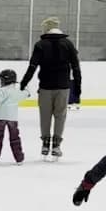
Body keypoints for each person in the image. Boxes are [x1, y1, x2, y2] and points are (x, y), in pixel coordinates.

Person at [20, 17, 82, 159]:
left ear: (46, 29)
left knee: (45, 115)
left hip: (45, 87)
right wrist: (78, 89)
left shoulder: (40, 44)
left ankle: (45, 143)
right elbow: (76, 68)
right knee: (60, 115)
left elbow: (32, 67)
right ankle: (56, 145)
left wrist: (23, 83)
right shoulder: (68, 44)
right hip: (63, 87)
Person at [0, 69, 24, 164]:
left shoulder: (1, 91)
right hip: (12, 118)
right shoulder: (16, 91)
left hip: (0, 118)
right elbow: (26, 94)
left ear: (5, 80)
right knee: (15, 138)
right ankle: (19, 158)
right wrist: (26, 88)